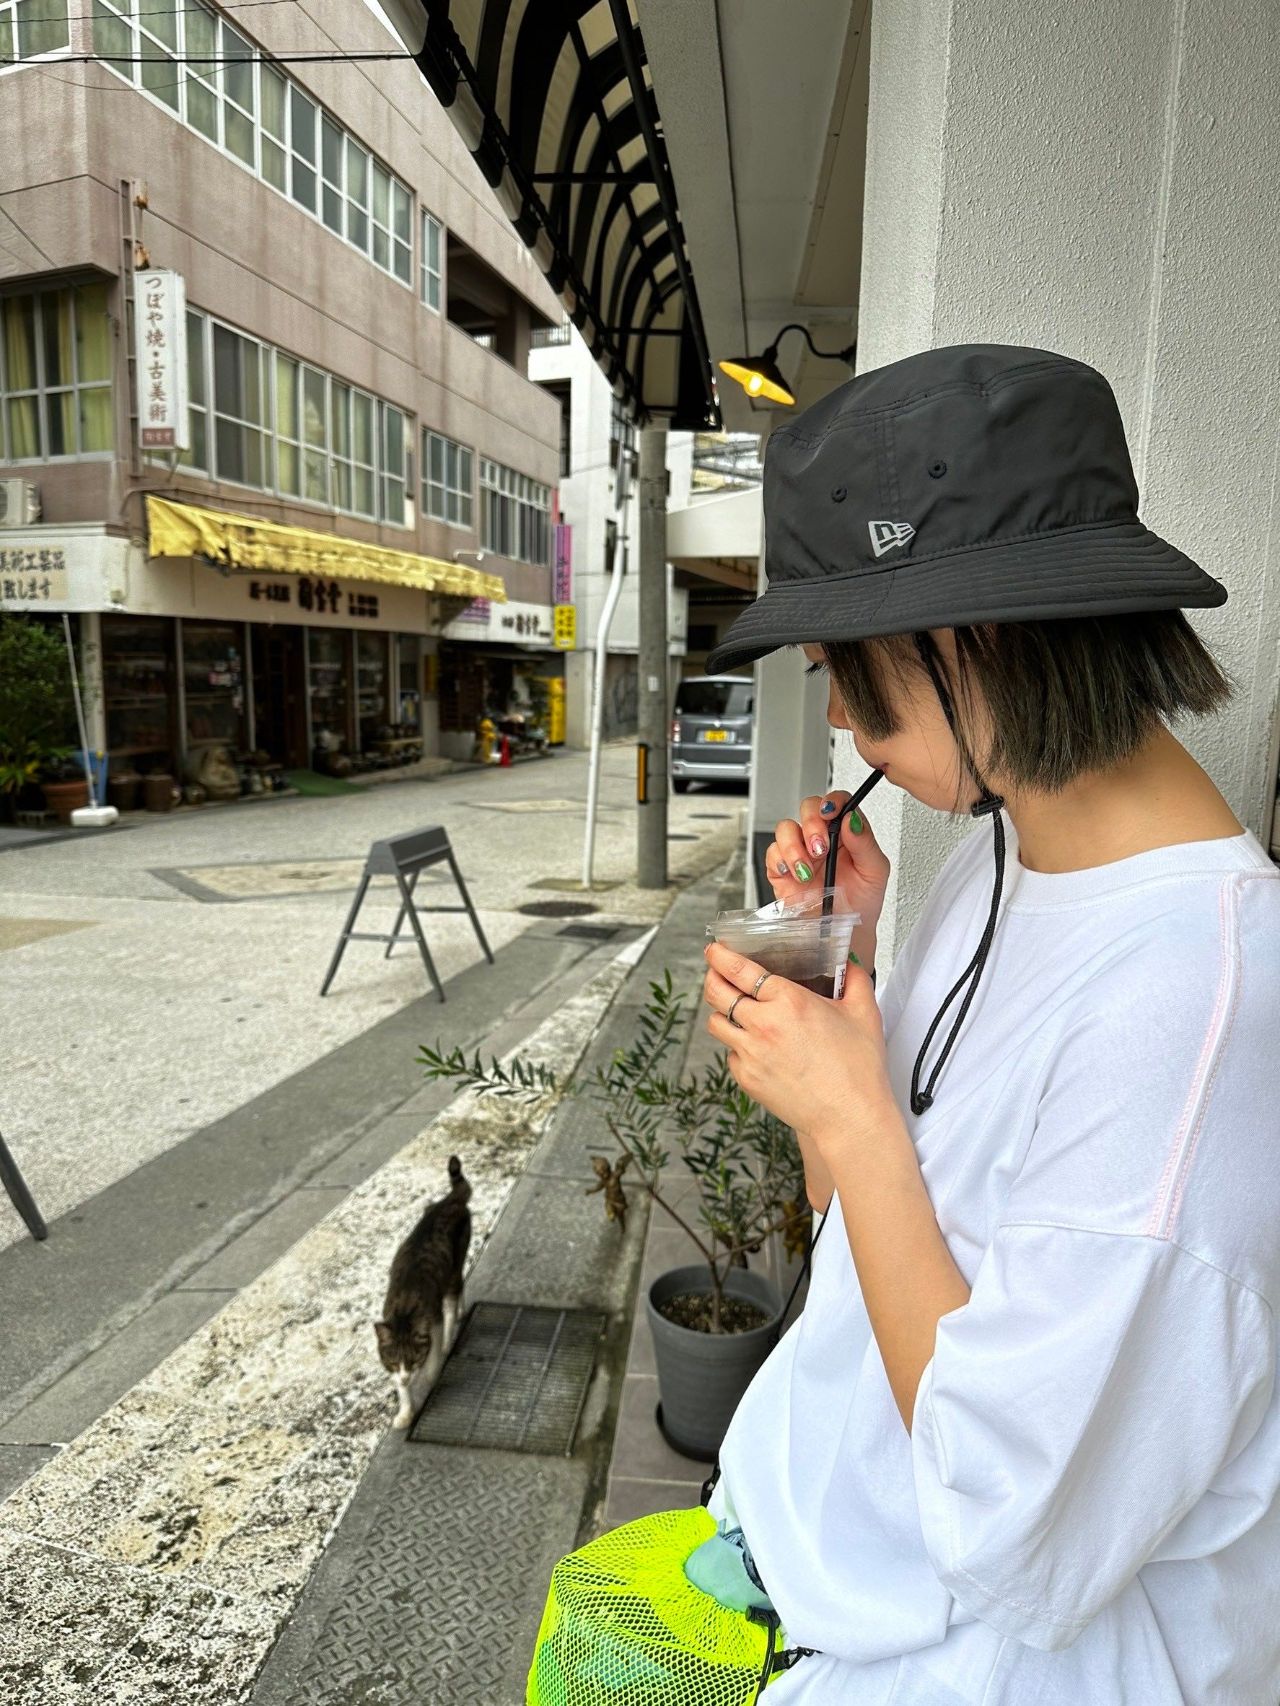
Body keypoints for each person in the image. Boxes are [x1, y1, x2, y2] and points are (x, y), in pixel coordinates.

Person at [698, 345, 1280, 1704]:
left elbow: (1014, 1530)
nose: (843, 721)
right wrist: (846, 973)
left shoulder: (1201, 1011)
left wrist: (855, 1113)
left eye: (850, 669)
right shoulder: (1002, 849)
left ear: (976, 634)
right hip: (840, 1589)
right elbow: (858, 1223)